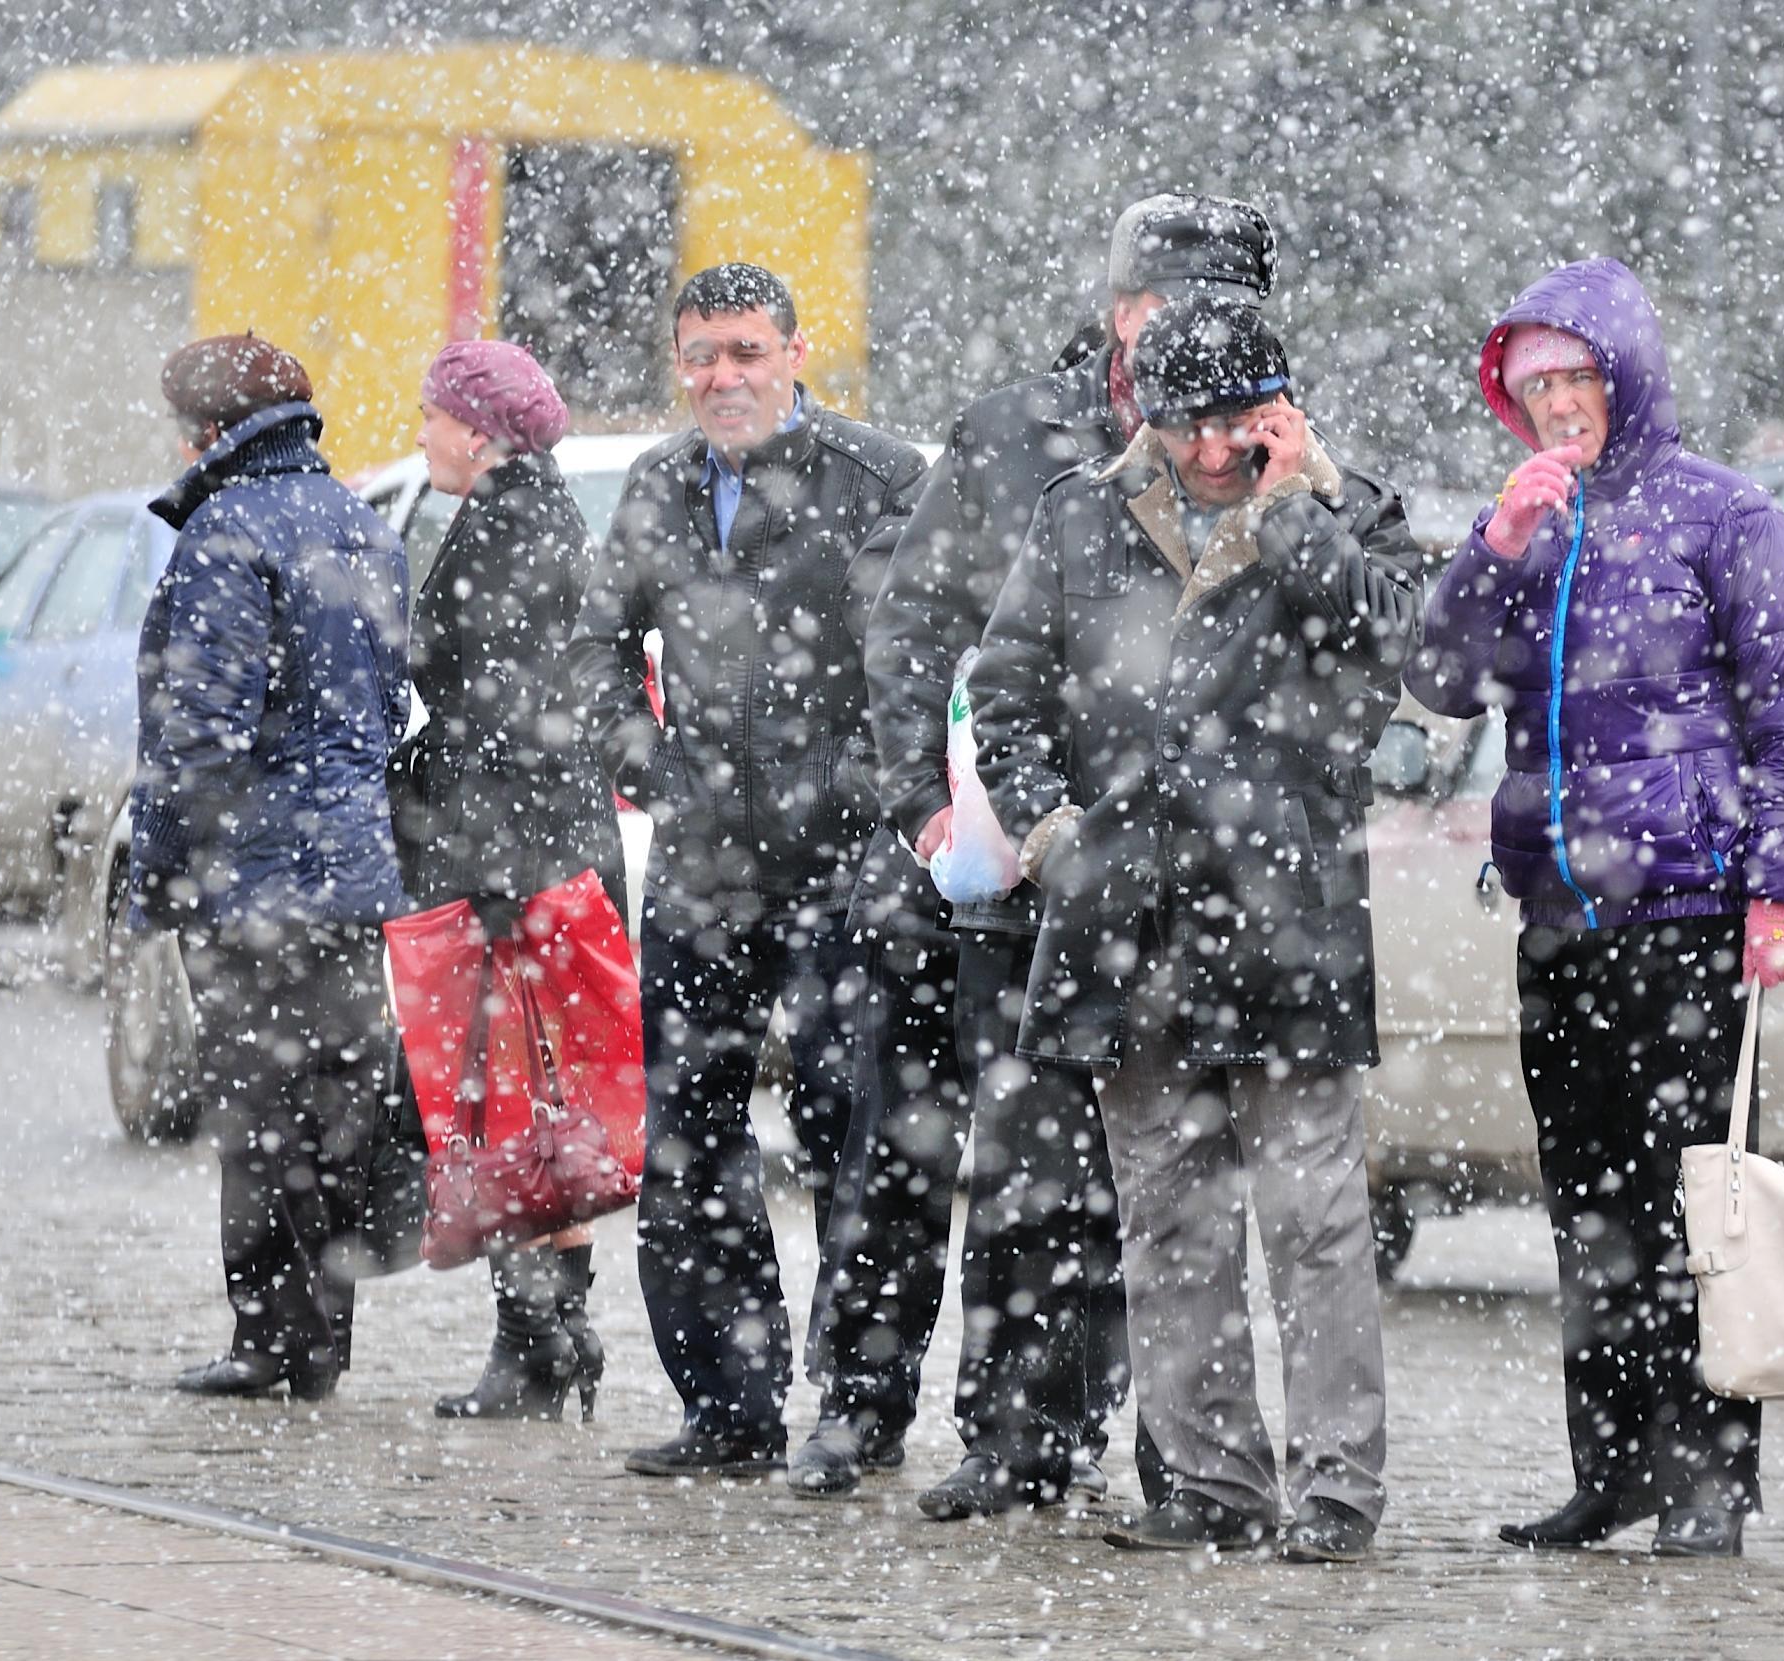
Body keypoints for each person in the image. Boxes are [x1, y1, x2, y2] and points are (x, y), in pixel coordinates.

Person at [972, 296, 1420, 1562]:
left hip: (1290, 925)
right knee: (1168, 1221)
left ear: (1282, 409)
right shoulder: (1078, 513)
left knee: (1315, 1225)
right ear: (1147, 415)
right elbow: (1003, 686)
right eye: (1190, 424)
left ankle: (1336, 1492)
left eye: (1241, 422)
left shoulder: (1347, 515)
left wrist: (1289, 516)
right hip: (1128, 918)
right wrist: (1050, 832)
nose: (1216, 448)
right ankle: (1211, 1482)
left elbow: (1398, 649)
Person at [1405, 257, 1784, 1559]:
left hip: (1687, 918)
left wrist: (1780, 892)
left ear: (1623, 373)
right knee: (1590, 1212)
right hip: (1559, 920)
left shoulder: (1725, 519)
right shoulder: (1525, 529)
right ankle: (1612, 1469)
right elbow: (1438, 678)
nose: (1552, 407)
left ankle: (1708, 1476)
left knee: (1704, 1208)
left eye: (1571, 377)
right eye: (1528, 385)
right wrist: (1493, 550)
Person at [864, 191, 1276, 1521]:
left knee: (1177, 1193)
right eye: (1159, 305)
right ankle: (1019, 1436)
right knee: (1029, 1168)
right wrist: (933, 803)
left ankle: (1185, 1453)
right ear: (1115, 311)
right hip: (1030, 868)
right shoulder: (1008, 436)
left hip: (1193, 882)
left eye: (1213, 312)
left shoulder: (1269, 449)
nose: (1180, 337)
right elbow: (918, 623)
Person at [567, 264, 928, 1479]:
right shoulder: (660, 484)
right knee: (688, 1133)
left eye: (744, 351)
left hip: (846, 867)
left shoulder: (879, 477)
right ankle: (726, 1404)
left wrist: (880, 794)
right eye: (700, 355)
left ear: (792, 349)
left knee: (853, 1133)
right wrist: (650, 765)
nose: (722, 377)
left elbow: (928, 661)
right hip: (702, 866)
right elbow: (596, 643)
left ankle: (858, 1408)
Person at [133, 333, 410, 1402]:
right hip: (347, 867)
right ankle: (321, 1337)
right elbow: (388, 704)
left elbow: (200, 730)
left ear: (205, 430)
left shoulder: (224, 530)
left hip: (255, 875)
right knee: (335, 1107)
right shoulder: (358, 522)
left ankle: (266, 1334)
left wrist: (168, 869)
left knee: (257, 1107)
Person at [390, 338, 628, 1423]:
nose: (426, 436)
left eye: (435, 417)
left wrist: (490, 870)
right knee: (546, 1102)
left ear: (476, 431)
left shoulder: (507, 533)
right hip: (542, 849)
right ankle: (547, 1334)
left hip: (515, 862)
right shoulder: (534, 520)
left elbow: (510, 715)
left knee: (517, 1106)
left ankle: (537, 1341)